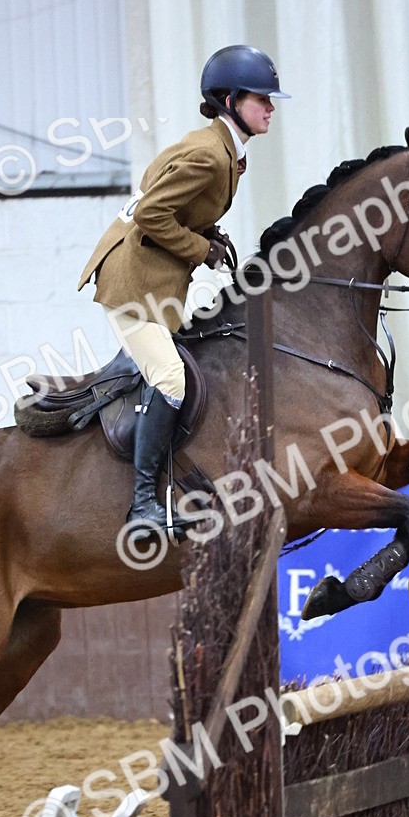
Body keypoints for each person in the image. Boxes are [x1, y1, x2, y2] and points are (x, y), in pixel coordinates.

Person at [78, 44, 289, 534]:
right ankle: (143, 505)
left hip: (154, 282)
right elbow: (152, 212)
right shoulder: (209, 155)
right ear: (230, 99)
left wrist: (206, 233)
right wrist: (201, 248)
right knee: (171, 379)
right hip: (131, 285)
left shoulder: (224, 151)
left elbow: (157, 184)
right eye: (262, 98)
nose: (271, 107)